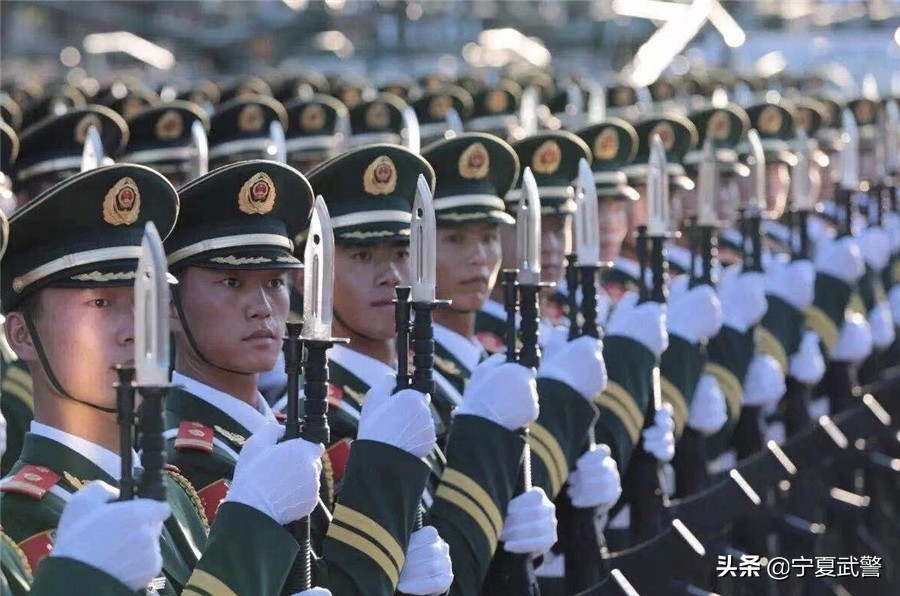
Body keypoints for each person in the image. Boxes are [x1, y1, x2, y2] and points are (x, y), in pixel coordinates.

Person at [0, 163, 325, 595]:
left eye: (142, 297)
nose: (134, 328)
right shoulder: (16, 524)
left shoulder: (181, 500)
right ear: (22, 335)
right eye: (100, 303)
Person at [162, 157, 440, 595]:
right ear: (168, 306)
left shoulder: (282, 436)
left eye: (273, 282)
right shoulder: (178, 460)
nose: (263, 306)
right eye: (232, 282)